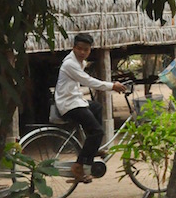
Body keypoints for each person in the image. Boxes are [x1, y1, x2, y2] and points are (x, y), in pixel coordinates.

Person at [54, 33, 126, 184]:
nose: (82, 52)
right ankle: (80, 166)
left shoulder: (79, 62)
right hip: (69, 105)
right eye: (79, 48)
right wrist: (112, 86)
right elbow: (88, 81)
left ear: (90, 50)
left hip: (76, 100)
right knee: (98, 132)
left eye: (86, 50)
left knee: (97, 108)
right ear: (74, 47)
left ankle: (92, 148)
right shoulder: (70, 64)